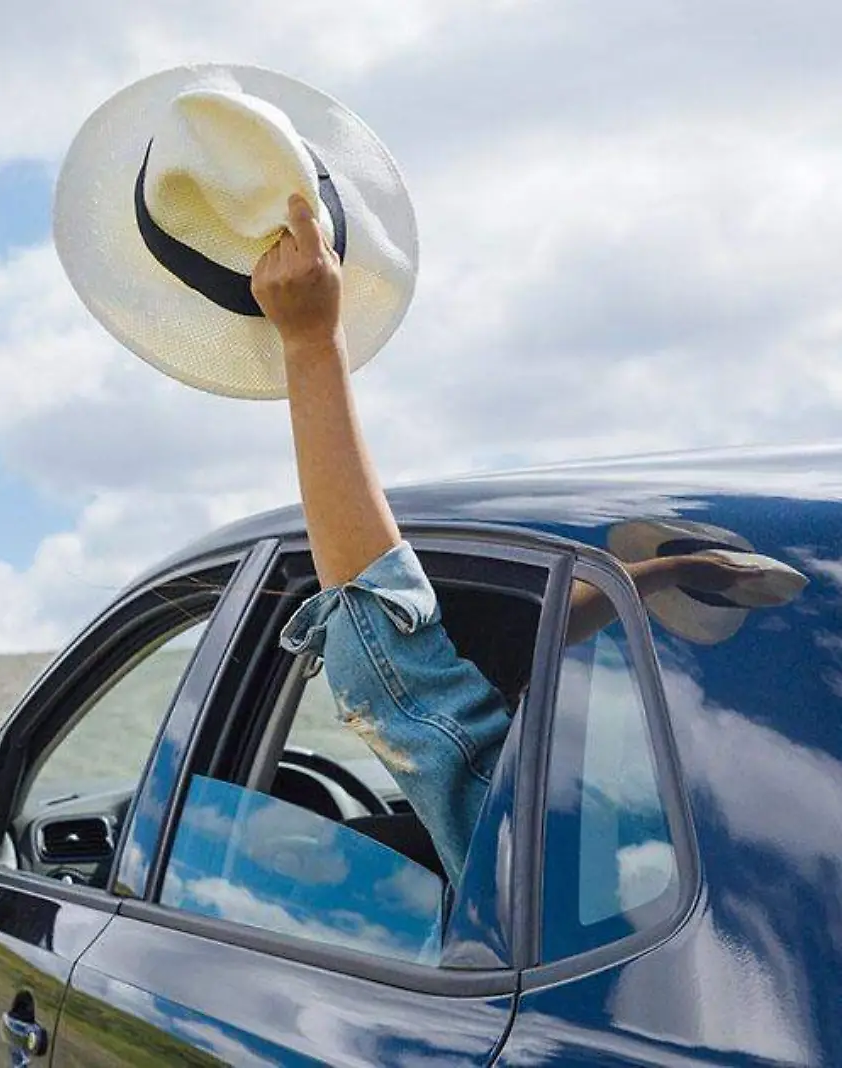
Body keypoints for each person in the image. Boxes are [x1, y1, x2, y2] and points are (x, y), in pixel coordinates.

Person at [250, 193, 763, 887]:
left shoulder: (529, 841)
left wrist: (311, 346)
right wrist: (660, 574)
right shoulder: (725, 828)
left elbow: (386, 653)